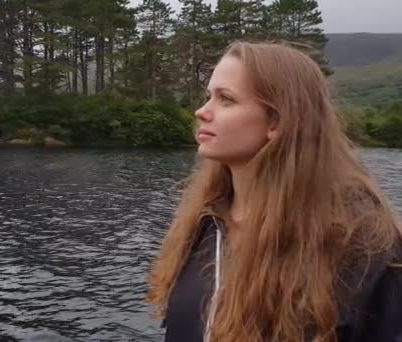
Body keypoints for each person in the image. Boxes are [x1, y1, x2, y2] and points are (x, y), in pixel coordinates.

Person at [146, 41, 402, 342]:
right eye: (208, 97)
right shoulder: (203, 225)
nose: (202, 111)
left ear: (277, 121)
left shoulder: (363, 248)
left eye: (225, 99)